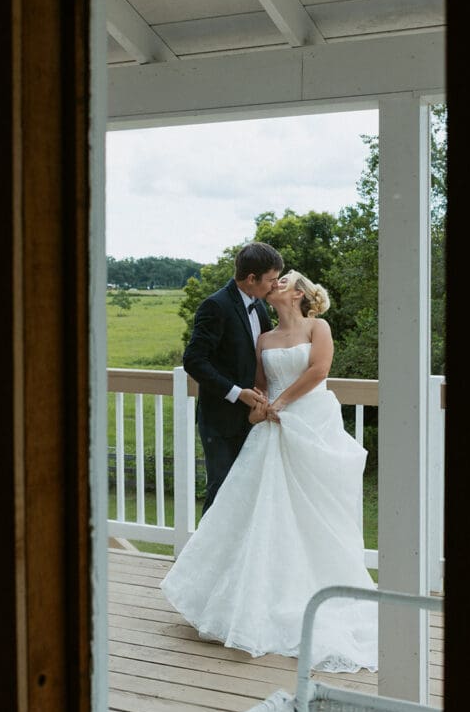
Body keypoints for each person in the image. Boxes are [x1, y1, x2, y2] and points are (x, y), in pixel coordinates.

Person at [161, 269, 377, 673]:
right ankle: (255, 597)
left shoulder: (319, 327)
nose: (275, 285)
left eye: (283, 282)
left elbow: (318, 372)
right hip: (271, 429)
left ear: (298, 294)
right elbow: (261, 382)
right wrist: (261, 408)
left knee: (315, 510)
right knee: (258, 510)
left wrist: (281, 404)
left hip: (310, 421)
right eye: (272, 280)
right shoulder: (264, 337)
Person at [183, 241, 284, 513]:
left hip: (254, 418)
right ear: (251, 278)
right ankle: (204, 557)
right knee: (222, 491)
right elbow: (193, 360)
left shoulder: (259, 307)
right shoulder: (215, 306)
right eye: (271, 280)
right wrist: (237, 392)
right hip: (220, 421)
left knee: (248, 494)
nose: (275, 286)